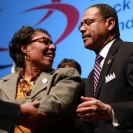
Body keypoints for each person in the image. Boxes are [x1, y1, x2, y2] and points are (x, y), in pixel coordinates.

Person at [0, 26, 81, 133]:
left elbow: (53, 106)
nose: (52, 47)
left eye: (52, 44)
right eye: (45, 42)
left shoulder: (66, 75)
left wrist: (8, 109)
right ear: (25, 48)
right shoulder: (2, 83)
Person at [76, 3, 133, 133]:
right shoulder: (91, 76)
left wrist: (110, 111)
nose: (81, 29)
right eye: (81, 25)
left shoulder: (129, 51)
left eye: (88, 22)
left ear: (110, 23)